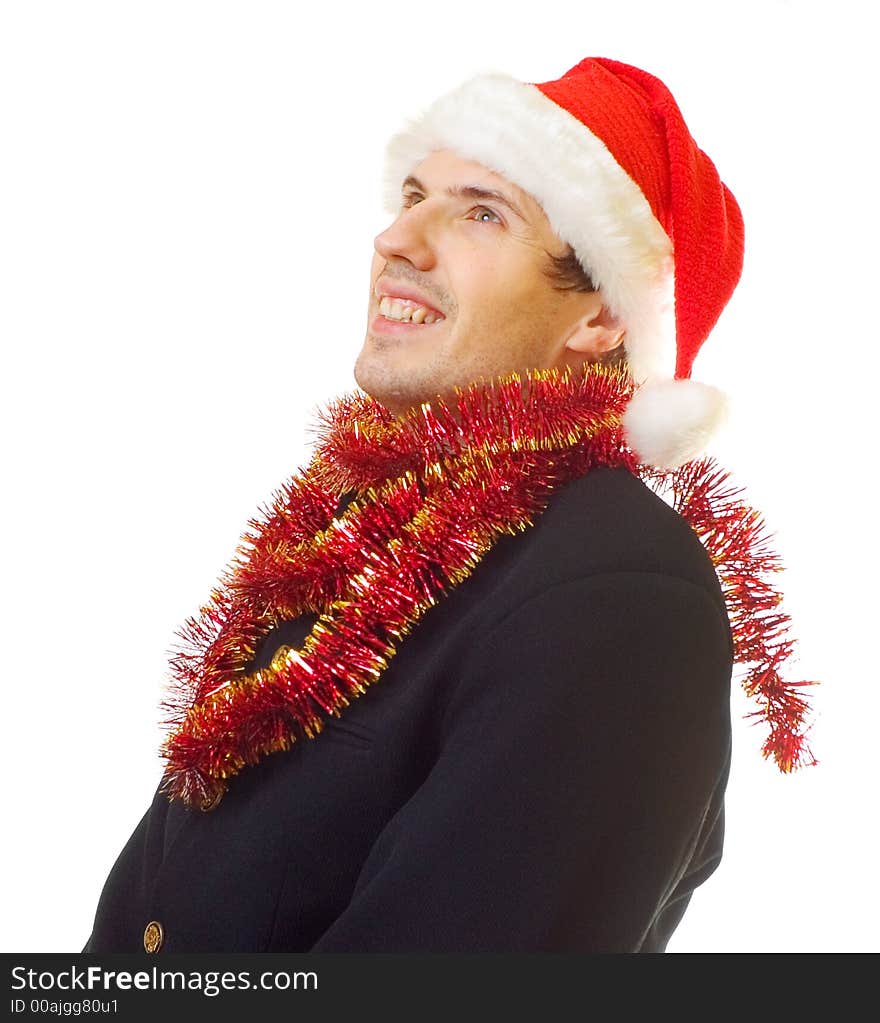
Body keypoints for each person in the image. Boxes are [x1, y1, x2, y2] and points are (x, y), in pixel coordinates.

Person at [82, 56, 814, 954]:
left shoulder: (618, 584)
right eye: (415, 193)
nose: (398, 237)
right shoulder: (368, 538)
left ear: (602, 318)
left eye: (480, 211)